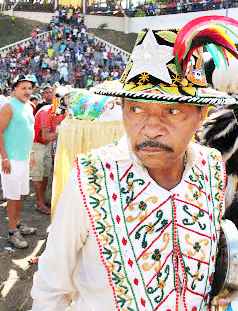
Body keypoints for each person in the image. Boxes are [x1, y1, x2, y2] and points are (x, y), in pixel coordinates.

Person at [31, 16, 238, 310]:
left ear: (201, 114)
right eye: (136, 108)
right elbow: (51, 287)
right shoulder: (91, 175)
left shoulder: (212, 167)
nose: (151, 127)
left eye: (172, 111)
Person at [0, 75, 36, 249]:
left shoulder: (30, 106)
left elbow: (28, 132)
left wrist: (32, 153)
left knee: (20, 194)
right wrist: (4, 158)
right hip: (11, 159)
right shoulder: (8, 106)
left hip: (24, 158)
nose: (27, 92)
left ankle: (18, 224)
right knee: (12, 196)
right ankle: (12, 232)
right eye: (23, 88)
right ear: (15, 89)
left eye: (29, 88)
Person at [31, 103, 65, 215]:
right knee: (38, 175)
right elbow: (46, 135)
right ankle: (40, 203)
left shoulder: (62, 112)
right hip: (36, 144)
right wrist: (63, 132)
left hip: (45, 144)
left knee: (45, 174)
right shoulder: (46, 112)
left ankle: (43, 199)